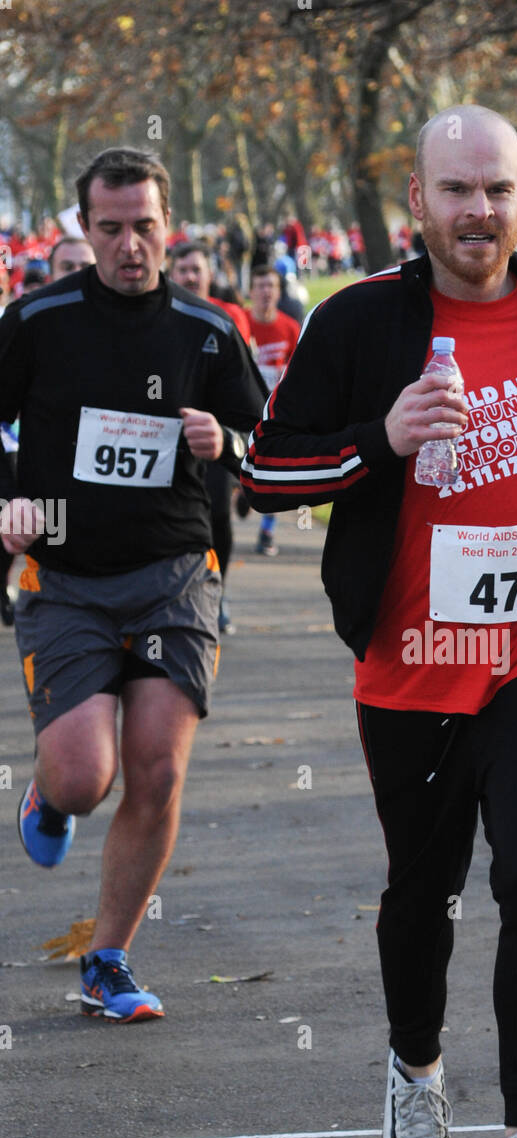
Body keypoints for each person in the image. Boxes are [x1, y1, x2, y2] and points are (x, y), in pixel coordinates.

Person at [242, 105, 517, 1138]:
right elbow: (267, 474)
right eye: (456, 191)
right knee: (425, 890)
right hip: (408, 659)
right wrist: (382, 441)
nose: (478, 211)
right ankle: (415, 1070)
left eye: (497, 190)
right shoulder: (358, 324)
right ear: (417, 203)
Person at [0, 146, 265, 1021]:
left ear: (168, 223)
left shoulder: (208, 328)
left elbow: (274, 445)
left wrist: (224, 443)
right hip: (66, 577)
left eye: (144, 226)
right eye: (108, 229)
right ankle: (49, 789)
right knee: (86, 779)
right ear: (84, 228)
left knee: (155, 772)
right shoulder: (36, 321)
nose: (128, 246)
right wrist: (9, 503)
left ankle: (108, 959)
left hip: (175, 574)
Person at [169, 241, 252, 632]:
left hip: (217, 439)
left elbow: (243, 381)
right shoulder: (163, 317)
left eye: (196, 269)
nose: (189, 276)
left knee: (218, 516)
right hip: (171, 440)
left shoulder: (229, 317)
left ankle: (217, 594)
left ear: (209, 274)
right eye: (182, 269)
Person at [245, 265, 300, 555]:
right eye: (260, 286)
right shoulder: (239, 323)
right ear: (251, 292)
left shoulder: (290, 328)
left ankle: (267, 531)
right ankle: (239, 495)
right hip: (242, 410)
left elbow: (299, 372)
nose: (266, 292)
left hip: (274, 414)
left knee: (271, 471)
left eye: (271, 286)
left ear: (278, 292)